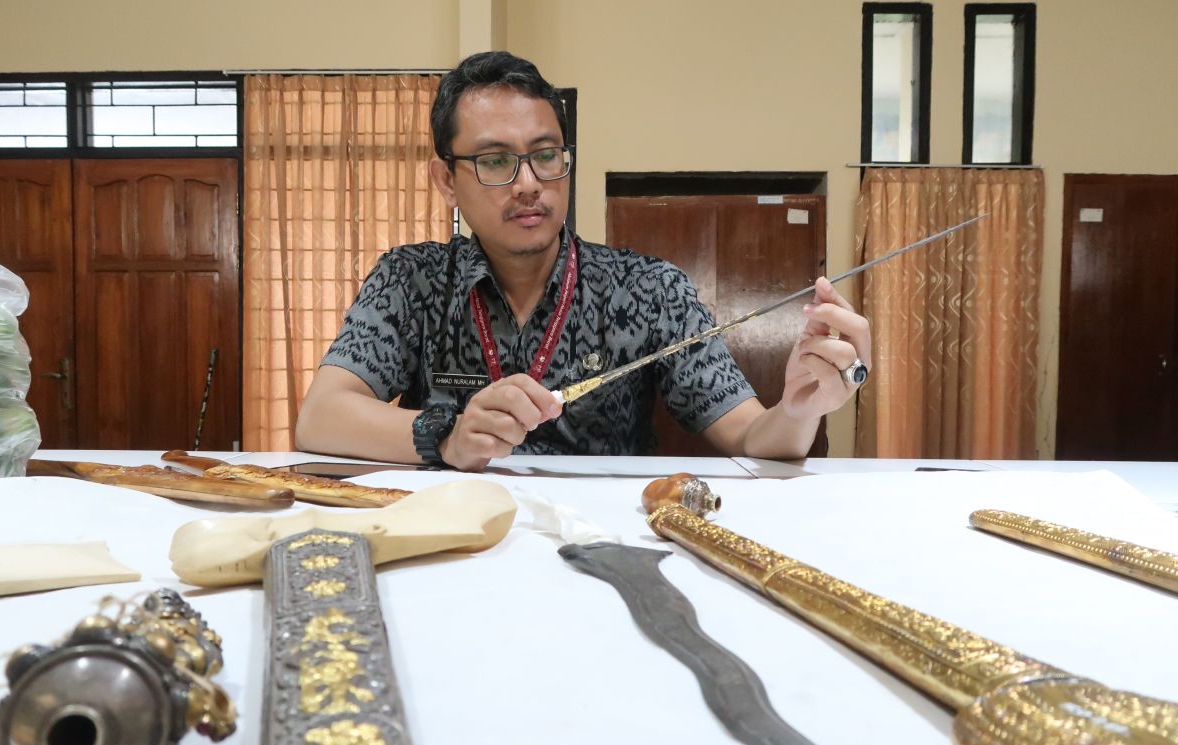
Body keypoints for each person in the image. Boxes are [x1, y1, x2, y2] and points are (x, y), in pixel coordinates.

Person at [295, 51, 871, 472]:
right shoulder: (410, 280)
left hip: (609, 554)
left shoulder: (650, 288)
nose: (528, 184)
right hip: (458, 547)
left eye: (546, 155)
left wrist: (800, 407)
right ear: (446, 179)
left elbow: (750, 436)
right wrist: (447, 435)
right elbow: (321, 418)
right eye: (495, 161)